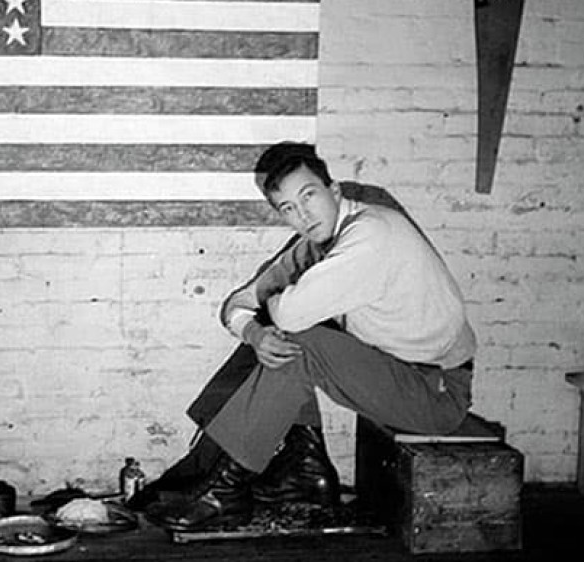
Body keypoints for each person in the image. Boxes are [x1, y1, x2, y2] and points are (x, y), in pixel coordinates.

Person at [143, 141, 477, 532]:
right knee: (279, 339)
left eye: (309, 196)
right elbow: (238, 304)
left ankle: (227, 490)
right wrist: (253, 333)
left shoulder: (370, 235)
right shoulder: (318, 242)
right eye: (288, 209)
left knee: (297, 339)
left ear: (334, 191)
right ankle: (302, 468)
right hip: (397, 370)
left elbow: (288, 312)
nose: (302, 214)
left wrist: (269, 316)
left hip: (435, 391)